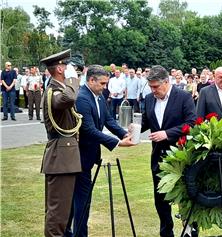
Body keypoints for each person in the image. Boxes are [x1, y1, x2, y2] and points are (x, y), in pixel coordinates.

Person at [71, 64, 134, 236]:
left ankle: (70, 232)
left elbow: (108, 120)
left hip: (89, 156)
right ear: (91, 80)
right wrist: (117, 143)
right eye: (103, 84)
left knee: (78, 199)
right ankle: (78, 234)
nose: (105, 87)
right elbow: (89, 130)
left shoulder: (97, 96)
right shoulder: (82, 98)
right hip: (80, 156)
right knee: (82, 200)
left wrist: (123, 134)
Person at [141, 65, 197, 237]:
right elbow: (145, 122)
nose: (153, 90)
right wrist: (132, 130)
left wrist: (167, 134)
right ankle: (166, 233)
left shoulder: (184, 97)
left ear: (166, 82)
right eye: (150, 87)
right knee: (160, 200)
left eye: (156, 87)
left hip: (181, 156)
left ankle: (190, 232)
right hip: (158, 158)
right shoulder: (150, 99)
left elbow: (192, 123)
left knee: (186, 198)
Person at [40, 49, 82, 237]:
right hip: (61, 159)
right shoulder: (54, 92)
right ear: (59, 68)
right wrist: (72, 80)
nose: (70, 69)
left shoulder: (57, 89)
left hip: (63, 157)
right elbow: (70, 98)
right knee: (58, 214)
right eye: (66, 66)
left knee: (61, 213)